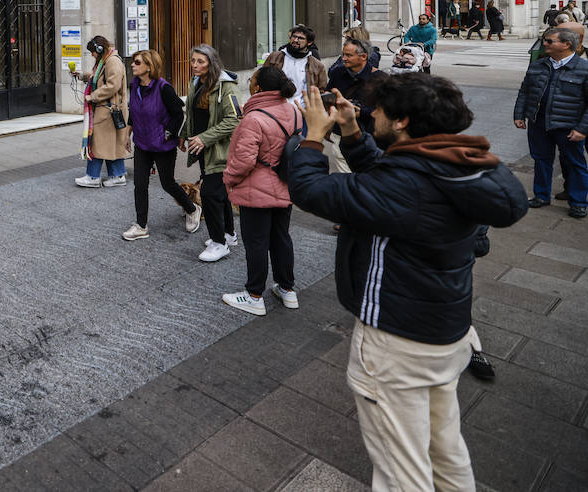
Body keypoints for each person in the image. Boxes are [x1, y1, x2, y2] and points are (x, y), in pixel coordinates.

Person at [288, 76, 527, 492]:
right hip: (444, 332)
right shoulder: (454, 164)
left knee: (402, 472)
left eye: (378, 109)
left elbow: (311, 190)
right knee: (444, 450)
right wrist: (351, 130)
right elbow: (386, 181)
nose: (371, 112)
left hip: (396, 342)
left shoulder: (407, 186)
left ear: (401, 122)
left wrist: (312, 136)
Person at [220, 66, 302, 316]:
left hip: (256, 190)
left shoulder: (253, 118)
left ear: (257, 87)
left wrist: (228, 179)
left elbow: (243, 161)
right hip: (285, 185)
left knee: (256, 243)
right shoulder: (294, 111)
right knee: (281, 239)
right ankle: (287, 290)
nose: (251, 83)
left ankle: (254, 295)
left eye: (252, 80)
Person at [120, 50, 199, 240]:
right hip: (142, 143)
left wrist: (169, 133)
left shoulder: (164, 88)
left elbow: (178, 113)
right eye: (133, 62)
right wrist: (128, 131)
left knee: (167, 183)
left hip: (163, 145)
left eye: (137, 62)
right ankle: (141, 226)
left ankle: (192, 208)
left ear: (149, 66)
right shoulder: (135, 85)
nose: (132, 65)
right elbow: (134, 110)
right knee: (140, 184)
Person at [514, 26, 588, 217]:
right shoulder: (538, 65)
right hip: (538, 123)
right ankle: (541, 195)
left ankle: (578, 201)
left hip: (568, 126)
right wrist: (519, 114)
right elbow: (525, 91)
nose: (544, 44)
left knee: (575, 163)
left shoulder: (583, 69)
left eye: (549, 41)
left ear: (566, 44)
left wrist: (582, 129)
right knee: (541, 159)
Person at [179, 44, 243, 262]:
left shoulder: (227, 87)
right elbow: (192, 114)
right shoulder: (196, 82)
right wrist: (184, 134)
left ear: (212, 63)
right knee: (219, 193)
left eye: (200, 61)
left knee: (209, 194)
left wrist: (205, 138)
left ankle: (219, 243)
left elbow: (235, 120)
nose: (195, 65)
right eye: (193, 60)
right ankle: (229, 234)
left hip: (220, 150)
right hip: (202, 149)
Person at [74, 35, 130, 189]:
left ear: (100, 49)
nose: (92, 55)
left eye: (93, 52)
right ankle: (118, 175)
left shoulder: (113, 62)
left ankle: (93, 177)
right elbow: (97, 78)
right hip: (107, 109)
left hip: (108, 110)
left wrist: (92, 96)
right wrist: (81, 75)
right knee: (110, 144)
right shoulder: (105, 61)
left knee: (96, 142)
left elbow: (112, 85)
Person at [327, 37, 388, 134]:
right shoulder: (337, 73)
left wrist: (361, 112)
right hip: (339, 130)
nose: (344, 59)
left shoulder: (380, 79)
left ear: (363, 57)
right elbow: (329, 93)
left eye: (348, 55)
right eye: (343, 55)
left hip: (366, 133)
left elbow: (386, 109)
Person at [262, 25, 327, 105]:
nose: (295, 40)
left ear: (309, 42)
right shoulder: (274, 58)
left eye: (301, 38)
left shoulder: (317, 66)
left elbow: (321, 91)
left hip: (302, 110)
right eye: (294, 36)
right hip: (276, 107)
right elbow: (262, 79)